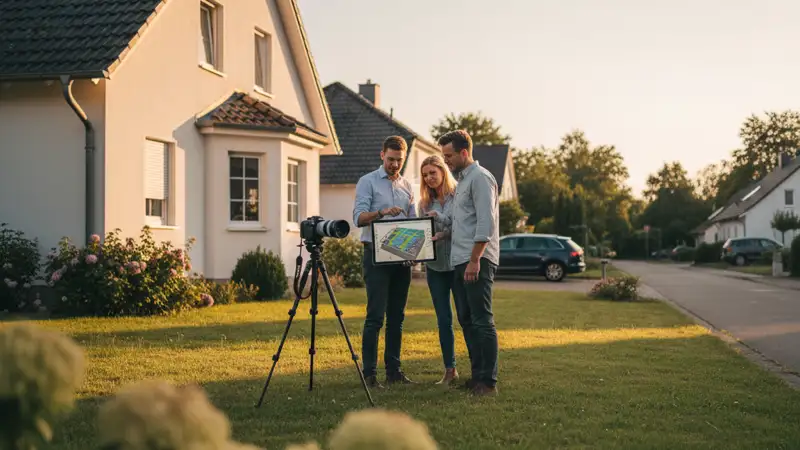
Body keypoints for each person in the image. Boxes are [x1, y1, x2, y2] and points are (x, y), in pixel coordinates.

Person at [437, 129, 500, 397]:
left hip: (477, 260)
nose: (446, 161)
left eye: (449, 156)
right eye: (443, 156)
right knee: (466, 319)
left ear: (464, 152)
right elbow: (460, 222)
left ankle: (488, 382)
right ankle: (476, 377)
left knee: (482, 320)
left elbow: (486, 223)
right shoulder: (462, 182)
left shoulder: (480, 178)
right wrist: (439, 226)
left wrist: (475, 259)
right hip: (460, 260)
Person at [352, 135, 417, 388]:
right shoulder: (367, 182)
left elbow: (414, 222)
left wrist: (415, 252)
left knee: (397, 317)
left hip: (402, 258)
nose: (395, 164)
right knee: (375, 317)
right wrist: (382, 212)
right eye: (390, 159)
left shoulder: (407, 186)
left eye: (399, 160)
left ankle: (394, 372)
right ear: (382, 155)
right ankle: (369, 374)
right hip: (375, 257)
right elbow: (358, 218)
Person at [418, 155, 459, 385]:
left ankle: (478, 369)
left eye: (432, 173)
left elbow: (463, 226)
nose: (429, 178)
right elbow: (421, 234)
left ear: (443, 171)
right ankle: (450, 370)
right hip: (434, 268)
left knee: (466, 317)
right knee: (443, 319)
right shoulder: (424, 204)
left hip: (457, 264)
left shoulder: (459, 196)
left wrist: (441, 225)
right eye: (425, 175)